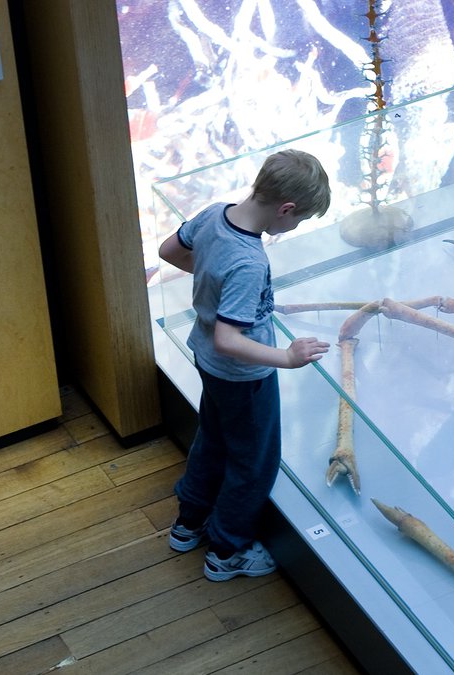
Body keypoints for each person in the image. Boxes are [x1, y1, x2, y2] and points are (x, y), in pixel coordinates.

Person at [157, 149, 332, 581]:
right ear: (286, 209)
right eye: (299, 220)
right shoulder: (250, 262)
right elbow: (229, 338)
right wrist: (287, 359)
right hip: (243, 376)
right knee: (254, 461)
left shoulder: (215, 215)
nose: (294, 228)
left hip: (207, 360)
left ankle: (188, 524)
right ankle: (227, 551)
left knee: (213, 438)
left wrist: (217, 284)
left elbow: (169, 252)